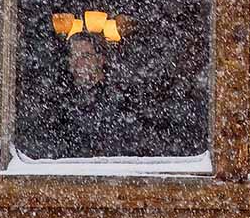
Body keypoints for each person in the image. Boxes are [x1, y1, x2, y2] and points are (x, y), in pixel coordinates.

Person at [18, 33, 155, 159]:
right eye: (74, 56)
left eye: (86, 56)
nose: (79, 63)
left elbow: (128, 147)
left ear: (100, 60)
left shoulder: (122, 99)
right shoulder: (59, 100)